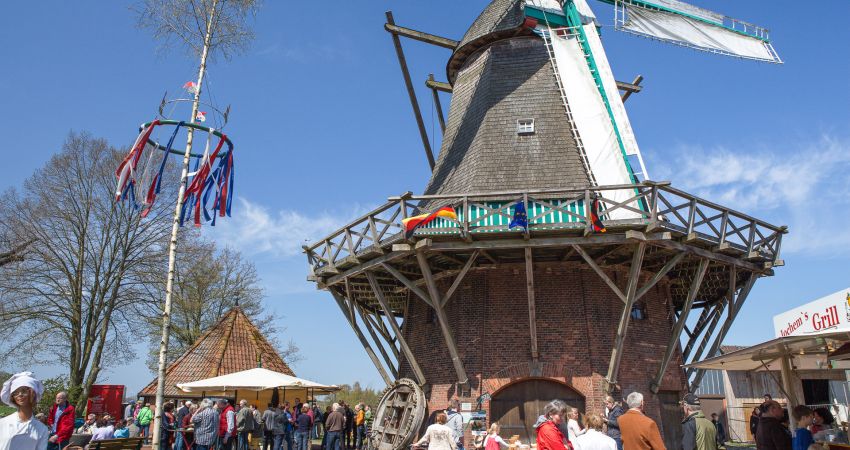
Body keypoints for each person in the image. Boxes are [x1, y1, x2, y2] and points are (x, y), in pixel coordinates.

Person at [0, 371, 49, 450]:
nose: (20, 394)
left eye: (24, 391)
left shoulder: (41, 429)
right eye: (15, 392)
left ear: (33, 394)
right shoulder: (3, 423)